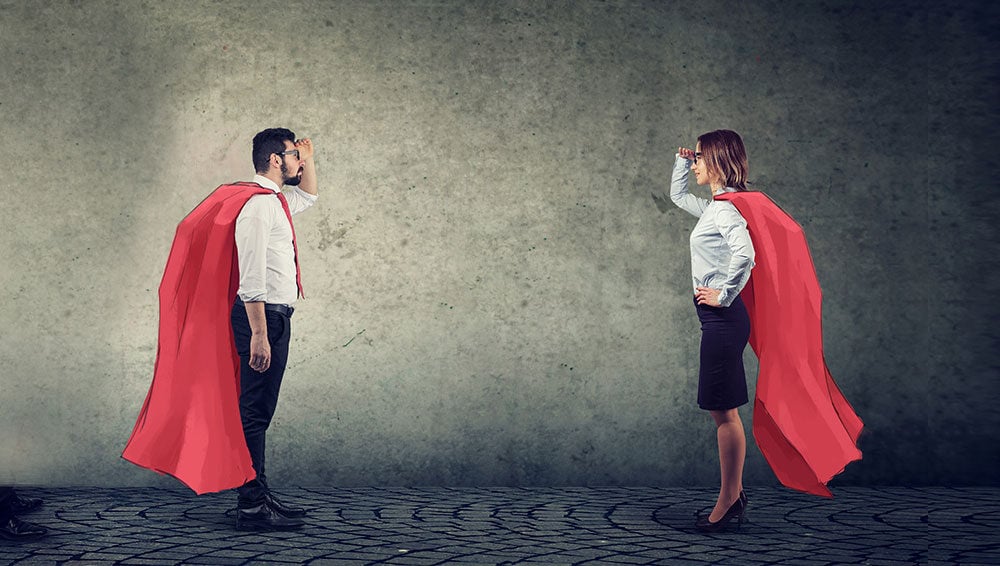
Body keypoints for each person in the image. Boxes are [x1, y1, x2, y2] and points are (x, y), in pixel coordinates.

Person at [122, 128, 319, 531]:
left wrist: (309, 158)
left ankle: (258, 494)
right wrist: (261, 334)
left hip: (275, 318)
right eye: (293, 155)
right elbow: (250, 277)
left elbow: (310, 196)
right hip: (263, 320)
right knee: (253, 412)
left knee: (257, 411)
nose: (299, 161)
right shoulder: (258, 206)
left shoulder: (275, 201)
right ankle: (251, 505)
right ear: (275, 161)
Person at [671, 130, 755, 531]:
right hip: (719, 320)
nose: (696, 163)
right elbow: (677, 197)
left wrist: (722, 294)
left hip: (722, 319)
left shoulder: (725, 211)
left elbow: (746, 254)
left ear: (719, 161)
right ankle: (732, 497)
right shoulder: (715, 207)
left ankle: (727, 504)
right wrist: (680, 163)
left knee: (723, 412)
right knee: (724, 410)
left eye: (701, 158)